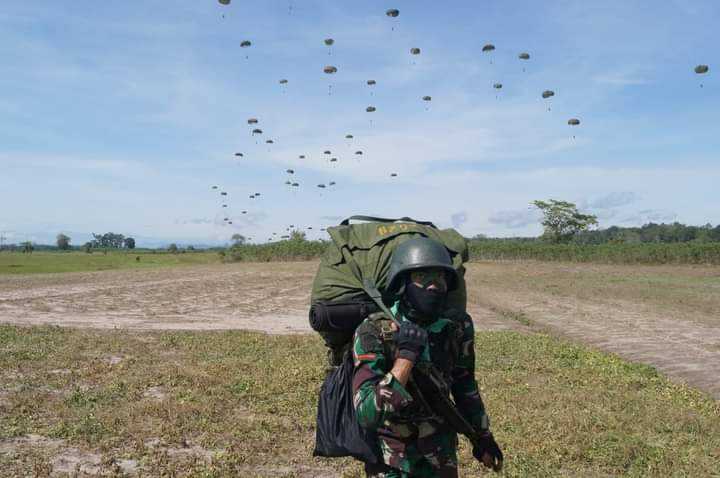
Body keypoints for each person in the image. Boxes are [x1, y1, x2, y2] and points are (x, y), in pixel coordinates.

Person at [351, 237, 503, 477]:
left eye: (440, 278)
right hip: (391, 457)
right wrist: (405, 359)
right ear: (402, 284)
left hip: (441, 454)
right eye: (422, 278)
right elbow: (367, 414)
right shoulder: (374, 331)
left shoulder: (456, 326)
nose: (433, 286)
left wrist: (482, 436)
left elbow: (465, 385)